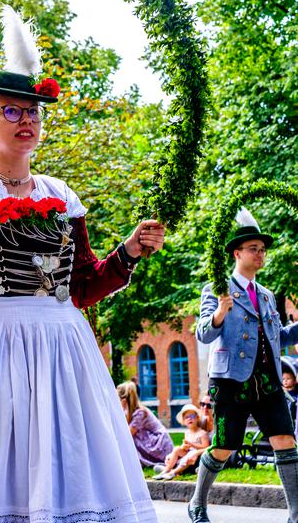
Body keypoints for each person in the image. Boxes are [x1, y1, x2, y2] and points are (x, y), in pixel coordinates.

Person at [0, 5, 165, 523]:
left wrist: (129, 252)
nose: (26, 121)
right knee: (3, 464)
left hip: (63, 344)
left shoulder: (62, 196)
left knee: (69, 457)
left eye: (33, 113)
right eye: (11, 111)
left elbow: (85, 284)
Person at [189, 208, 298, 523]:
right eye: (254, 249)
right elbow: (204, 333)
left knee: (285, 441)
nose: (260, 254)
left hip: (268, 380)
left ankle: (295, 514)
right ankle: (197, 502)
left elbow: (278, 336)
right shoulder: (216, 288)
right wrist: (220, 313)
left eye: (263, 250)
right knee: (224, 447)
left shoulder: (266, 295)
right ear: (237, 253)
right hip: (231, 382)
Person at [117, 381, 174, 469]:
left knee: (131, 438)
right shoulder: (132, 413)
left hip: (160, 445)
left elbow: (127, 434)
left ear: (124, 401)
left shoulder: (140, 413)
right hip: (157, 443)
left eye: (118, 400)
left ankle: (136, 462)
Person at [154, 404, 209, 481]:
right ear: (183, 421)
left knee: (190, 454)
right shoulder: (187, 433)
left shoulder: (202, 433)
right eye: (187, 417)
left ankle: (173, 472)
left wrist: (192, 445)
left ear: (197, 418)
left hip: (196, 457)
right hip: (187, 455)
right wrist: (183, 447)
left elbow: (206, 447)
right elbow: (185, 447)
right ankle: (166, 470)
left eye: (192, 416)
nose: (190, 419)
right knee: (176, 449)